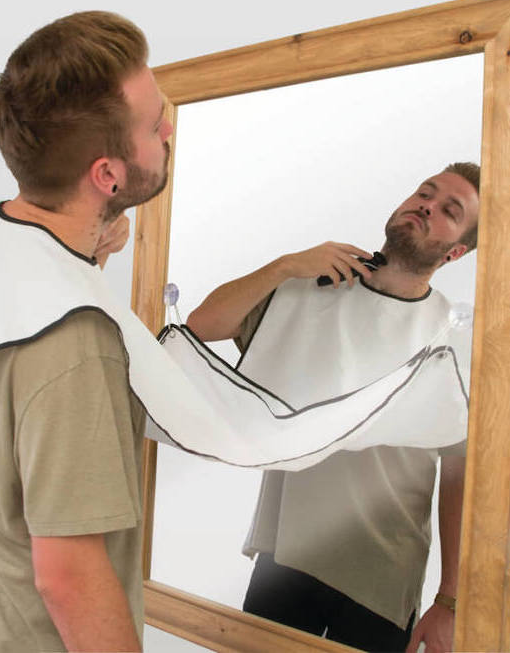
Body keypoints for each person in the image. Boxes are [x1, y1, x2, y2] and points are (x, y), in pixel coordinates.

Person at [0, 11, 172, 652]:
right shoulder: (75, 342)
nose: (168, 129)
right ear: (106, 174)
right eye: (155, 123)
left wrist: (90, 250)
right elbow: (69, 578)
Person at [186, 163, 480, 653]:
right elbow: (201, 326)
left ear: (456, 251)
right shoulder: (308, 288)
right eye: (424, 193)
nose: (426, 205)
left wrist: (448, 600)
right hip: (287, 555)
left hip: (385, 575)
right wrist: (284, 266)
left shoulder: (453, 339)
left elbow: (458, 475)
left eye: (449, 210)